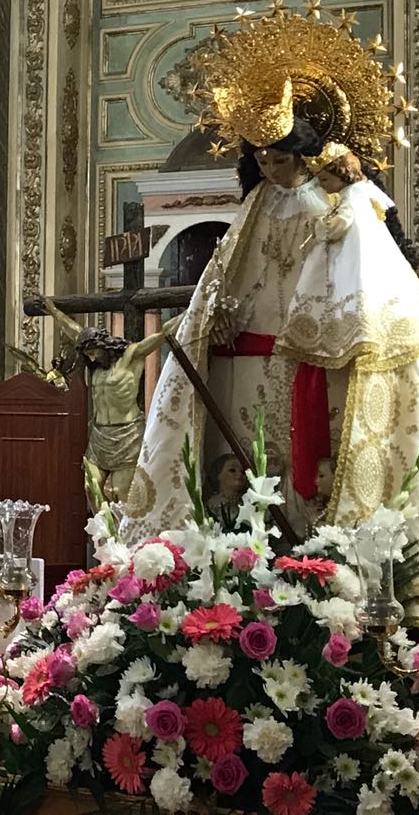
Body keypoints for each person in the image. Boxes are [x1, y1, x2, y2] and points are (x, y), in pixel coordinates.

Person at [130, 118, 336, 534]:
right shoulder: (257, 201)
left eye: (279, 161)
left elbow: (333, 278)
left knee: (297, 457)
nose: (271, 170)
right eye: (262, 161)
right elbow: (223, 272)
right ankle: (234, 541)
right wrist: (217, 313)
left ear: (301, 156)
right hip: (243, 359)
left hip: (302, 353)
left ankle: (306, 539)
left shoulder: (324, 206)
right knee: (240, 454)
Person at [277, 144, 419, 525]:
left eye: (326, 178)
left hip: (354, 282)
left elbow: (337, 227)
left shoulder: (350, 200)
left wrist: (319, 226)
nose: (324, 185)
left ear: (340, 175)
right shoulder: (364, 195)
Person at [36, 300, 180, 505]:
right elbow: (74, 331)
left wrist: (194, 307)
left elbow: (162, 334)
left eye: (93, 353)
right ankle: (102, 525)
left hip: (127, 433)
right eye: (88, 355)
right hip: (100, 434)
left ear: (103, 346)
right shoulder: (96, 367)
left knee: (122, 491)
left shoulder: (131, 356)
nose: (92, 360)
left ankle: (121, 527)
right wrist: (53, 310)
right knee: (91, 486)